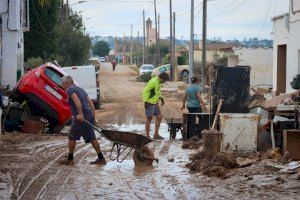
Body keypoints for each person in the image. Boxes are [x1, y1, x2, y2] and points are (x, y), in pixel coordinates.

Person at [58, 76, 106, 166]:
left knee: (71, 136)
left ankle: (70, 160)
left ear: (67, 83)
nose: (62, 85)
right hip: (88, 115)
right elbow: (90, 102)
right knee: (92, 137)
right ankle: (101, 158)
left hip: (81, 118)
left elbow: (76, 99)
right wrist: (93, 117)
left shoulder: (70, 89)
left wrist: (80, 114)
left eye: (63, 83)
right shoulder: (81, 89)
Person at [143, 72, 169, 140]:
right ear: (162, 79)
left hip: (155, 103)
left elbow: (157, 91)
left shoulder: (158, 82)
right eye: (164, 80)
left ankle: (156, 135)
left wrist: (161, 98)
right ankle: (147, 136)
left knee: (159, 117)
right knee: (149, 119)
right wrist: (145, 101)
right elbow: (146, 90)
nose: (164, 82)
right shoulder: (153, 82)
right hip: (150, 103)